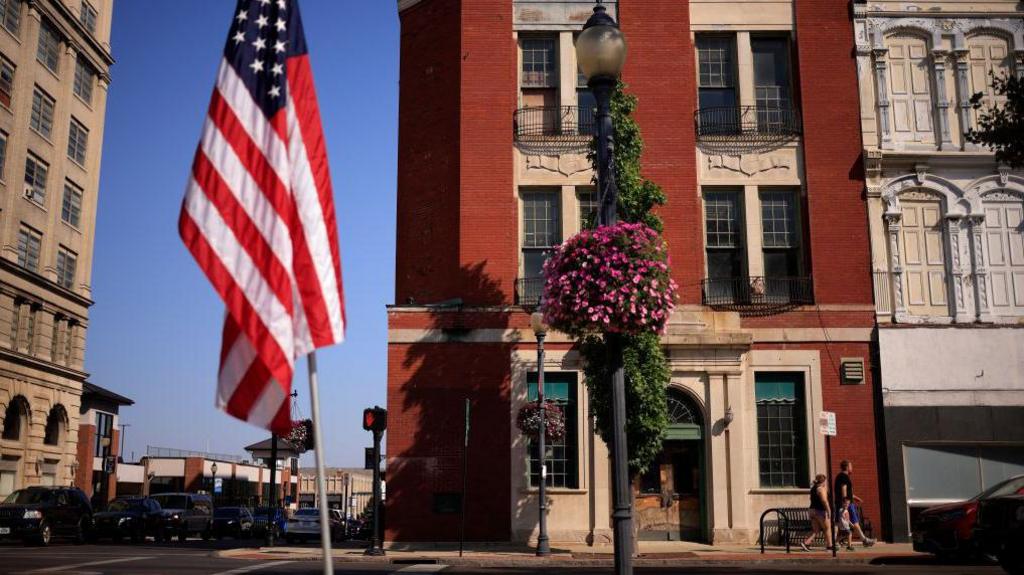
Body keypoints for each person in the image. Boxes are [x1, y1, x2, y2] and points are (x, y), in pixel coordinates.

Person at [834, 460, 876, 547]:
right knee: (854, 521)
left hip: (844, 502)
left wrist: (856, 498)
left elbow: (848, 492)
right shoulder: (844, 477)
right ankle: (864, 540)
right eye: (851, 466)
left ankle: (836, 541)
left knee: (842, 523)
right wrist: (845, 503)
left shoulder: (840, 476)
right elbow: (844, 489)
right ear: (846, 467)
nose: (852, 468)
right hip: (847, 503)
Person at [801, 474, 833, 552]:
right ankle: (830, 546)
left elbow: (811, 498)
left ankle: (806, 543)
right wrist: (828, 510)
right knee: (827, 528)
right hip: (820, 511)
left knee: (816, 530)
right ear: (824, 481)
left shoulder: (813, 488)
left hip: (811, 510)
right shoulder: (821, 489)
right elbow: (824, 500)